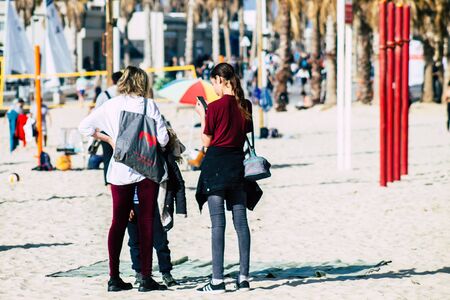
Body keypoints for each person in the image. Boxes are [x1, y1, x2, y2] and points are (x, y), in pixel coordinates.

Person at [78, 66, 169, 292]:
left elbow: (84, 127)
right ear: (143, 82)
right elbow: (164, 140)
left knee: (117, 223)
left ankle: (113, 277)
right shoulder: (150, 105)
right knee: (146, 221)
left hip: (119, 170)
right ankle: (146, 278)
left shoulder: (111, 105)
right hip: (146, 170)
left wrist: (109, 139)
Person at [194, 63, 255, 293]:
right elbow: (244, 132)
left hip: (216, 165)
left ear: (221, 80)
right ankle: (244, 278)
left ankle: (217, 280)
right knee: (241, 223)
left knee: (218, 224)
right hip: (237, 165)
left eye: (213, 83)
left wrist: (203, 115)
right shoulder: (245, 105)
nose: (213, 87)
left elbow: (207, 142)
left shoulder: (215, 107)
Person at [94, 71, 123, 187]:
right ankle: (120, 180)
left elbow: (96, 113)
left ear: (112, 80)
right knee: (122, 157)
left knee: (107, 156)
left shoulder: (103, 94)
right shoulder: (125, 94)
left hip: (105, 129)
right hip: (121, 129)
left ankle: (108, 181)